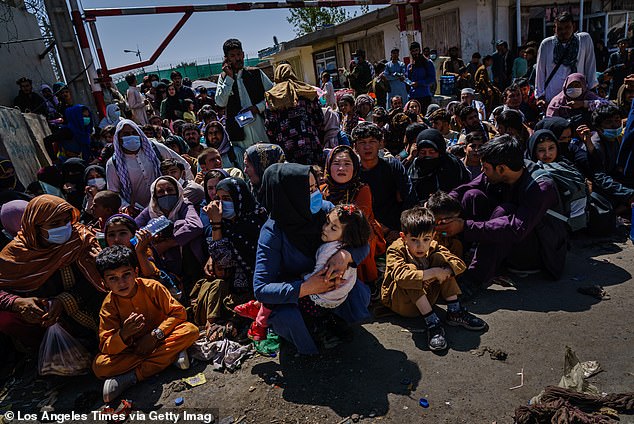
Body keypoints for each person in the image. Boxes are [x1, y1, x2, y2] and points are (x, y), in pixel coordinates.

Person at [252, 163, 372, 356]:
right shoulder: (273, 232)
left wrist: (346, 255)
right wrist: (307, 287)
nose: (316, 194)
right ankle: (309, 340)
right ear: (289, 195)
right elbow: (261, 289)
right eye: (308, 190)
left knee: (357, 291)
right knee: (286, 318)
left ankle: (333, 321)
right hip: (297, 298)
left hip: (329, 290)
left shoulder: (326, 211)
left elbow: (361, 240)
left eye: (315, 186)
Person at [436, 136, 568, 297]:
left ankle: (474, 278)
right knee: (472, 195)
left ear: (501, 169)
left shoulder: (541, 187)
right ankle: (466, 258)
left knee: (504, 212)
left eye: (485, 168)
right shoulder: (501, 171)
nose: (483, 171)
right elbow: (467, 188)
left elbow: (515, 228)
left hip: (536, 253)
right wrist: (439, 206)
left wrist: (464, 226)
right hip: (510, 242)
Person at [92, 245, 198, 403]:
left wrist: (155, 335)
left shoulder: (152, 287)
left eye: (126, 275)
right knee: (99, 366)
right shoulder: (109, 305)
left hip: (161, 338)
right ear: (104, 283)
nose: (121, 283)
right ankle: (169, 357)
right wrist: (124, 334)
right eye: (113, 278)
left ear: (135, 272)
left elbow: (178, 313)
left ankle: (132, 377)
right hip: (134, 350)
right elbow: (106, 345)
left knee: (190, 330)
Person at [0, 195, 105, 353]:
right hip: (42, 319)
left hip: (87, 305)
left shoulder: (81, 239)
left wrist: (64, 301)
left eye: (66, 221)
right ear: (35, 227)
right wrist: (18, 302)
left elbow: (100, 278)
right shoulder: (14, 255)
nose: (64, 227)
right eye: (55, 224)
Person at [380, 207, 486, 351]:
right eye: (414, 240)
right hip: (403, 303)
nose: (420, 246)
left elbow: (459, 264)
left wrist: (444, 271)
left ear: (433, 236)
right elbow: (401, 277)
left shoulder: (433, 246)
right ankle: (432, 323)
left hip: (427, 297)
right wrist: (434, 272)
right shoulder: (395, 249)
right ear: (403, 237)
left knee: (442, 260)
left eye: (426, 239)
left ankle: (454, 311)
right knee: (410, 272)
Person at [195, 177, 268, 340]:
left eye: (227, 199)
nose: (221, 204)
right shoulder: (224, 224)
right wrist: (216, 225)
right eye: (218, 199)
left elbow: (226, 260)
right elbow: (222, 261)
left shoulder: (256, 220)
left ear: (239, 198)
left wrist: (216, 225)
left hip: (258, 281)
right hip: (233, 282)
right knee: (214, 286)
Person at [321, 145, 387, 284]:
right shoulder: (322, 190)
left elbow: (359, 222)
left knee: (364, 240)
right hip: (329, 231)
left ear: (355, 167)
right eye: (336, 163)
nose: (341, 168)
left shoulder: (362, 189)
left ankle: (366, 280)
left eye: (347, 164)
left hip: (357, 232)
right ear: (328, 166)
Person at [106, 119, 192, 215]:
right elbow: (114, 192)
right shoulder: (113, 163)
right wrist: (126, 206)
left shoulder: (155, 148)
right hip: (138, 212)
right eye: (126, 134)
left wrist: (186, 189)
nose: (131, 136)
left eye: (134, 132)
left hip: (169, 205)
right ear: (119, 138)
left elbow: (183, 164)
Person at [353, 122, 418, 244]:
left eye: (372, 142)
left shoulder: (392, 166)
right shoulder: (352, 171)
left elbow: (409, 198)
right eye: (362, 142)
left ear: (380, 144)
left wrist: (399, 229)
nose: (367, 147)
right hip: (363, 231)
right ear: (355, 147)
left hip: (394, 229)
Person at [135, 176, 204, 281]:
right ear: (155, 195)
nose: (166, 194)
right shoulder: (150, 210)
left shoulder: (184, 204)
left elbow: (195, 225)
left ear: (177, 191)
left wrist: (168, 243)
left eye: (170, 190)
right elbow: (134, 229)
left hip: (186, 260)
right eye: (161, 192)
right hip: (160, 261)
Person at [215, 38, 273, 156]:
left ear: (243, 54)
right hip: (239, 136)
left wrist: (257, 108)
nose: (237, 58)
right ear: (226, 58)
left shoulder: (256, 73)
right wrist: (229, 78)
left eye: (239, 54)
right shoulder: (224, 78)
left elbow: (273, 96)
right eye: (232, 56)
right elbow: (220, 102)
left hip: (261, 130)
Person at [264, 63, 325, 165]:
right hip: (311, 144)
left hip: (287, 149)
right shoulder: (307, 91)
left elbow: (270, 128)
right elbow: (319, 119)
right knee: (314, 176)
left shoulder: (272, 97)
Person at [535, 11, 597, 105]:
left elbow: (590, 67)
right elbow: (540, 72)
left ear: (574, 26)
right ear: (554, 29)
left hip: (577, 97)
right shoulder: (547, 44)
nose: (563, 31)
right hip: (552, 98)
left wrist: (592, 90)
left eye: (567, 27)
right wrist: (540, 96)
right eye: (559, 28)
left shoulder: (584, 40)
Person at [407, 129, 471, 203]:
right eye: (423, 152)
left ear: (440, 151)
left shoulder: (453, 166)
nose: (427, 155)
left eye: (432, 152)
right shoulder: (415, 167)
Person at [407, 42, 436, 113]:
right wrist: (404, 80)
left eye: (416, 50)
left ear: (419, 50)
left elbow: (432, 78)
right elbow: (408, 79)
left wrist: (419, 83)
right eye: (413, 51)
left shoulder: (427, 63)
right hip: (412, 96)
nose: (415, 53)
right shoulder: (410, 66)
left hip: (424, 95)